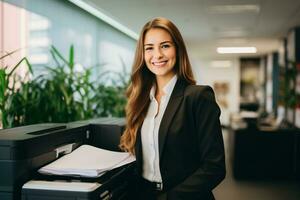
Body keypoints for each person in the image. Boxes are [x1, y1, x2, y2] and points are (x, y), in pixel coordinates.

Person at [120, 17, 226, 200]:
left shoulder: (198, 97)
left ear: (178, 49)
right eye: (149, 48)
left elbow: (214, 167)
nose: (157, 55)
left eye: (165, 46)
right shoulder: (140, 100)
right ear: (142, 55)